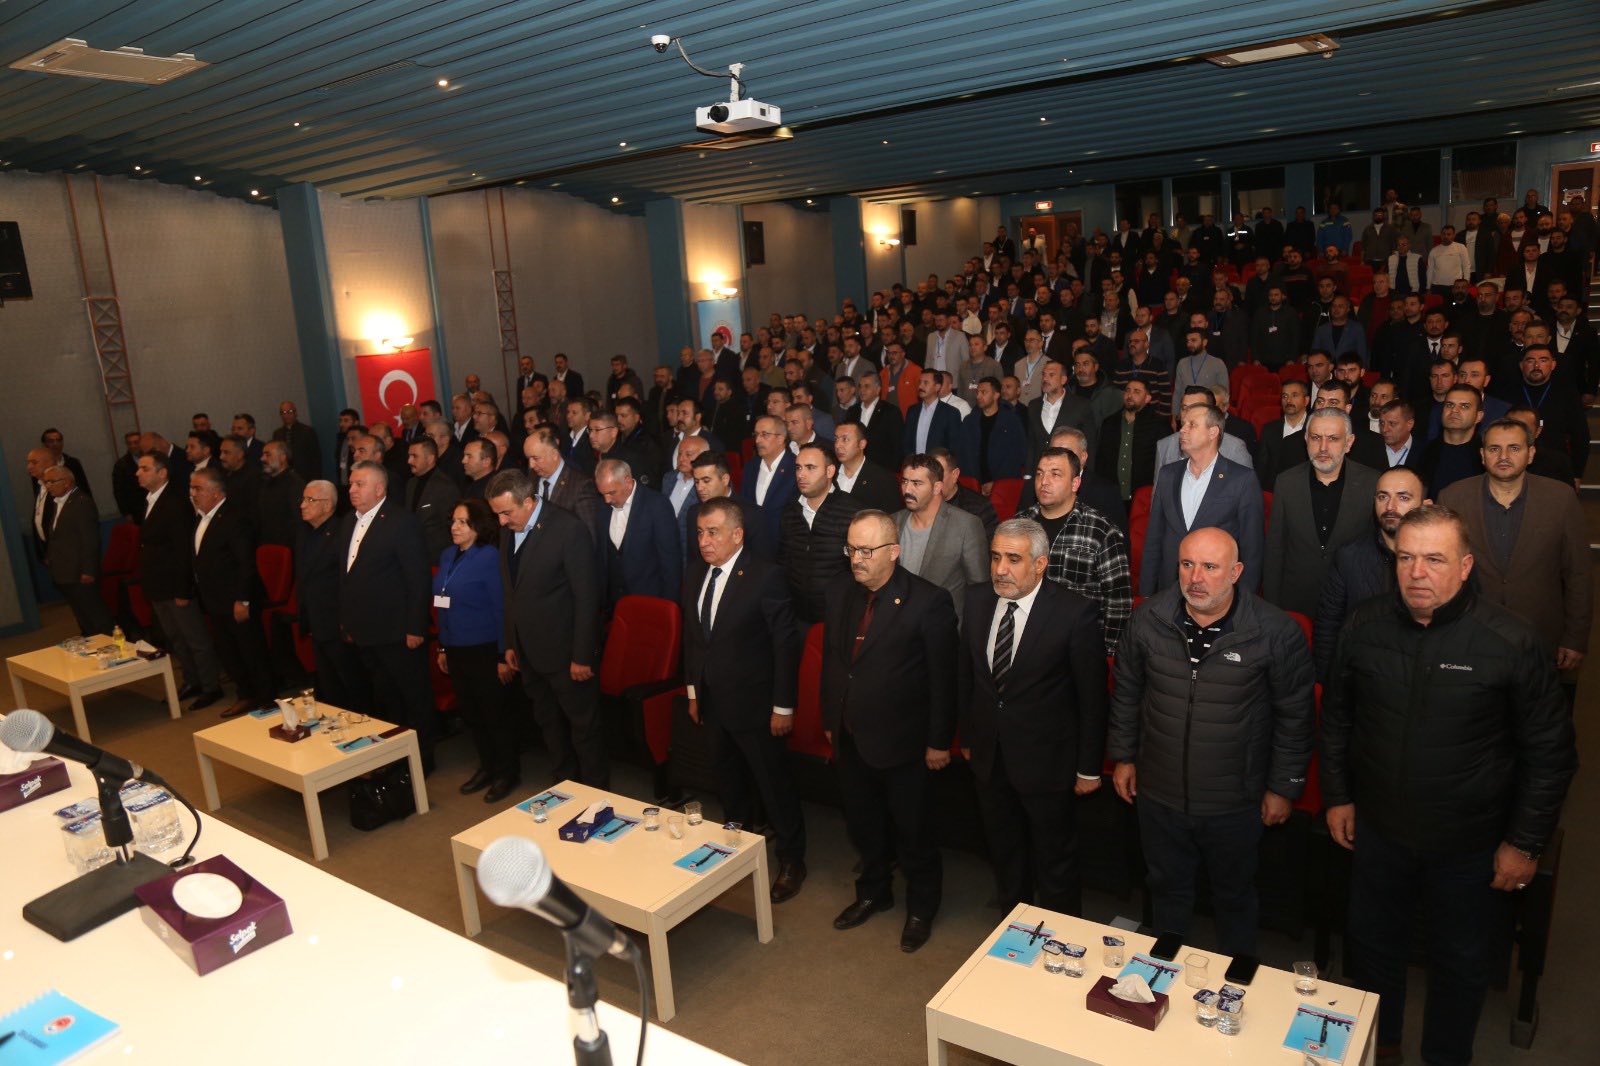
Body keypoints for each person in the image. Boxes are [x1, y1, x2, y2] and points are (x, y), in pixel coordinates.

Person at [1321, 506, 1576, 1066]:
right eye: (1406, 558)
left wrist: (1524, 841)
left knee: (1460, 964)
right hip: (1380, 833)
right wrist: (1338, 796)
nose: (1417, 572)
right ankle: (1380, 1050)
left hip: (1469, 845)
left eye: (1434, 559)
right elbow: (1338, 719)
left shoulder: (1510, 640)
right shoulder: (1363, 626)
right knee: (1372, 952)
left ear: (1464, 567)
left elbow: (1551, 755)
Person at [1110, 527, 1315, 957]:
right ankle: (1162, 972)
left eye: (1209, 567)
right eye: (1187, 564)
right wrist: (1124, 757)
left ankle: (1237, 978)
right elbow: (1127, 693)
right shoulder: (1148, 618)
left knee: (1234, 895)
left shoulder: (1276, 632)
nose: (1195, 578)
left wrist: (1283, 788)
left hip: (1234, 800)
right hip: (1160, 793)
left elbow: (1295, 717)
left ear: (1236, 572)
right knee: (1166, 888)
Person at [821, 510, 959, 953]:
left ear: (894, 551)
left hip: (905, 744)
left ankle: (921, 908)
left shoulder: (929, 601)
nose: (856, 559)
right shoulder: (840, 592)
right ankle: (873, 892)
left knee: (914, 833)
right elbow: (834, 664)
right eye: (851, 549)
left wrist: (939, 741)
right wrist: (830, 720)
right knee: (864, 826)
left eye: (866, 551)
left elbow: (944, 679)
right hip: (851, 737)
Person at [958, 518, 1107, 915]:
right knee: (1005, 853)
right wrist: (969, 739)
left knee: (1055, 861)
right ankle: (1013, 926)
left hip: (1048, 763)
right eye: (995, 557)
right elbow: (967, 677)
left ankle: (1061, 933)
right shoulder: (977, 599)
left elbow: (1092, 699)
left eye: (1013, 559)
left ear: (1040, 564)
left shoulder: (1074, 613)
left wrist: (1089, 768)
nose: (1000, 569)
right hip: (990, 759)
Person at [681, 497, 808, 905]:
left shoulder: (766, 576)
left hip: (757, 707)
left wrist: (783, 706)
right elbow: (693, 640)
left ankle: (792, 860)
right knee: (728, 782)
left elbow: (785, 645)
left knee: (774, 786)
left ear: (737, 534)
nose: (704, 541)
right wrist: (693, 692)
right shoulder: (694, 573)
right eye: (699, 533)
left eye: (713, 532)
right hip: (713, 702)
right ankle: (736, 849)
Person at [1441, 418, 1590, 684]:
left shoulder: (1561, 498)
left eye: (1514, 448)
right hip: (1470, 638)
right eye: (1494, 449)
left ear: (1530, 454)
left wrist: (1575, 638)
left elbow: (1578, 574)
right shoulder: (1453, 498)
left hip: (1541, 639)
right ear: (1482, 455)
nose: (1504, 456)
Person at [490, 467, 605, 788]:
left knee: (583, 729)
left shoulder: (568, 529)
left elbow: (587, 597)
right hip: (528, 652)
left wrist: (582, 655)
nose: (501, 521)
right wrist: (511, 642)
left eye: (506, 513)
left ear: (528, 501)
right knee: (548, 724)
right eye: (497, 514)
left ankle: (597, 794)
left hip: (567, 654)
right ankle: (565, 786)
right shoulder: (508, 528)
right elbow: (510, 591)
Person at [336, 461, 435, 771]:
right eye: (351, 484)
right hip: (365, 630)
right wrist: (347, 620)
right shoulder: (347, 522)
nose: (352, 489)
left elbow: (418, 579)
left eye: (359, 484)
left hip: (398, 630)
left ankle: (423, 760)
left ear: (379, 489)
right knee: (385, 698)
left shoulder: (401, 522)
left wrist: (415, 626)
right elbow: (346, 577)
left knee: (413, 698)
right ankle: (395, 757)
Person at [1313, 466, 1428, 682]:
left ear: (1425, 505)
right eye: (1383, 497)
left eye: (1403, 497)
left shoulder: (1442, 562)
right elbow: (1327, 630)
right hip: (1361, 683)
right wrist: (1327, 685)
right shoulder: (1348, 557)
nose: (1390, 506)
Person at [433, 500, 516, 801]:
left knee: (494, 714)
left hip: (484, 649)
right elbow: (441, 603)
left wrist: (502, 654)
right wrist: (442, 646)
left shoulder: (489, 556)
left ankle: (507, 772)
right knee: (471, 713)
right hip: (455, 648)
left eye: (462, 522)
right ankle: (487, 766)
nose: (454, 527)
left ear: (477, 527)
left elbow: (500, 608)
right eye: (453, 521)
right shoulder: (447, 555)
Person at [1262, 409, 1378, 618]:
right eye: (1316, 438)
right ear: (1306, 439)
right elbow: (1275, 548)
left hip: (1352, 604)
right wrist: (1271, 608)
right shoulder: (1286, 482)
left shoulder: (1373, 484)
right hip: (1295, 601)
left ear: (1349, 442)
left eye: (1333, 439)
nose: (1323, 447)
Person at [1017, 448, 1132, 655]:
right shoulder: (1019, 525)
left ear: (1075, 483)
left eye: (1055, 474)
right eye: (1040, 473)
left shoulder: (1102, 532)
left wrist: (1107, 653)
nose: (1044, 481)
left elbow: (1118, 602)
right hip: (1023, 642)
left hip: (1079, 648)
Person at [1139, 405, 1263, 595]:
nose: (1182, 430)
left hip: (1216, 593)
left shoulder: (1242, 479)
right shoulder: (1168, 474)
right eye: (1182, 424)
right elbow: (1154, 538)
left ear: (1213, 432)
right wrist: (1146, 593)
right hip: (1169, 589)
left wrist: (1244, 601)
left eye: (1192, 425)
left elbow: (1252, 548)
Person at [135, 451, 223, 708]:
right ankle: (192, 680)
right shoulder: (150, 500)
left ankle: (210, 686)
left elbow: (183, 549)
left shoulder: (174, 503)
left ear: (162, 473)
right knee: (176, 639)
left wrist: (183, 589)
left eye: (145, 468)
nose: (138, 473)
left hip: (175, 585)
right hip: (157, 584)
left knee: (195, 639)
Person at [189, 467, 275, 719]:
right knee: (229, 651)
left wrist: (243, 599)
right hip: (214, 599)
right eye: (192, 488)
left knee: (251, 650)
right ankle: (246, 694)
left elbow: (246, 563)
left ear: (216, 492)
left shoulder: (235, 518)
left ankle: (266, 698)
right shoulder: (200, 518)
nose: (193, 493)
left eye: (198, 488)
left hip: (236, 599)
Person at [893, 454, 987, 628]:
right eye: (904, 482)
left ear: (937, 487)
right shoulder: (893, 522)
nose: (907, 490)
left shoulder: (966, 525)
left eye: (917, 483)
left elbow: (979, 589)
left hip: (943, 629)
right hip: (898, 628)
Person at [777, 443, 859, 625]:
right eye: (798, 467)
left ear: (830, 471)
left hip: (839, 617)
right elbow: (783, 562)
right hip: (796, 616)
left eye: (810, 467)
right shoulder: (790, 510)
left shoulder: (852, 512)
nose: (801, 474)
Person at [594, 458, 680, 606]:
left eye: (611, 493)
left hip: (649, 602)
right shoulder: (602, 507)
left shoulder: (657, 505)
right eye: (602, 494)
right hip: (614, 604)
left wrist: (668, 606)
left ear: (627, 482)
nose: (607, 500)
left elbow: (670, 562)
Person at [40, 467, 114, 637]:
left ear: (67, 482)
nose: (48, 486)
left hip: (80, 572)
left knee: (96, 616)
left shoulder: (81, 502)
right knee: (82, 616)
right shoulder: (59, 502)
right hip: (65, 570)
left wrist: (88, 570)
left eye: (52, 481)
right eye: (46, 482)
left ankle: (112, 645)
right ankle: (93, 645)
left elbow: (90, 539)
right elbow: (57, 535)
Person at [1096, 378, 1164, 504]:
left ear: (1147, 398)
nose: (1130, 395)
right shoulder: (1109, 423)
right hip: (1112, 495)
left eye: (1137, 391)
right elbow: (1101, 459)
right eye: (1127, 390)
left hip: (1144, 498)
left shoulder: (1159, 425)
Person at [1416, 383, 1485, 498]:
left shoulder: (1486, 455)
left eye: (1464, 406)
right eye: (1449, 405)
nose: (1454, 410)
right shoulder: (1424, 452)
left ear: (1479, 416)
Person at [739, 414, 798, 548]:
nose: (757, 440)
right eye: (756, 434)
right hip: (752, 544)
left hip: (783, 545)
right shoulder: (750, 467)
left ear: (780, 438)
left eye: (764, 435)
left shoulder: (795, 467)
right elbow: (744, 505)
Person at [832, 421, 899, 513]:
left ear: (862, 444)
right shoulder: (828, 473)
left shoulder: (883, 479)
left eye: (845, 439)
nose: (837, 445)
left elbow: (893, 517)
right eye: (836, 439)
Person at [1256, 380, 1310, 490]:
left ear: (1306, 400)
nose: (1288, 400)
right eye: (1284, 396)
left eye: (1294, 395)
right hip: (1274, 491)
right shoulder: (1269, 429)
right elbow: (1261, 467)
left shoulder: (1315, 428)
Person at [849, 369, 905, 471]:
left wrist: (890, 472)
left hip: (882, 469)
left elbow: (898, 447)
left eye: (867, 386)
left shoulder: (891, 412)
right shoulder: (852, 411)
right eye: (860, 386)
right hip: (856, 468)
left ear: (878, 389)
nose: (862, 390)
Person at [111, 431, 145, 522]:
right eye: (129, 443)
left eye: (136, 442)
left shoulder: (152, 458)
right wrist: (126, 513)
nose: (133, 446)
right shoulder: (121, 465)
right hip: (136, 510)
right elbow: (119, 491)